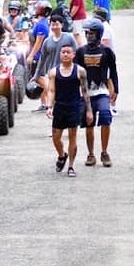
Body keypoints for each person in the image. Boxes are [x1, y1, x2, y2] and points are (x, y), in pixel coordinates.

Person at [76, 18, 118, 167]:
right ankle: (91, 153)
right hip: (86, 93)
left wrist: (116, 90)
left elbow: (113, 71)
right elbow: (76, 73)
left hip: (102, 91)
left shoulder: (106, 52)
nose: (88, 36)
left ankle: (104, 152)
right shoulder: (80, 52)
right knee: (89, 123)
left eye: (91, 33)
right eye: (87, 33)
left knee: (106, 117)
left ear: (99, 34)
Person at [44, 43, 91, 177]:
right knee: (56, 137)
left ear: (73, 55)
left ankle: (71, 165)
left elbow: (85, 91)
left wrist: (89, 110)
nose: (65, 54)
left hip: (74, 107)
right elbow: (51, 90)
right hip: (59, 106)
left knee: (72, 137)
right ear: (60, 54)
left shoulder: (80, 71)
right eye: (63, 52)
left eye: (68, 52)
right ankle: (61, 154)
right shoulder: (53, 72)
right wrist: (49, 106)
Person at [32, 14, 77, 110]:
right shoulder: (47, 41)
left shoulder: (69, 38)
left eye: (57, 24)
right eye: (52, 24)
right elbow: (42, 59)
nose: (55, 27)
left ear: (61, 25)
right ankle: (55, 110)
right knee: (53, 92)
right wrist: (36, 75)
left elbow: (76, 53)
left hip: (67, 71)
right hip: (52, 72)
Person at [92, 6, 118, 114]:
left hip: (105, 58)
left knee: (108, 80)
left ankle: (111, 105)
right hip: (102, 58)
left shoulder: (105, 29)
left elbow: (105, 45)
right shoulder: (102, 27)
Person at [25, 0, 53, 89]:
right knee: (39, 81)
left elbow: (38, 42)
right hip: (39, 55)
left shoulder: (41, 25)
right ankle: (45, 101)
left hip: (38, 56)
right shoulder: (41, 22)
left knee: (39, 78)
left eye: (37, 8)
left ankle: (51, 95)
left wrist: (31, 56)